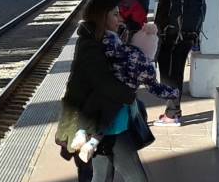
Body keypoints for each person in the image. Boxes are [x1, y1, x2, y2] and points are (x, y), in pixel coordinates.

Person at [56, 0, 148, 182]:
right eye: (115, 14)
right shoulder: (92, 47)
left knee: (101, 180)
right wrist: (132, 88)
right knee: (136, 180)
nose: (120, 19)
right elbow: (106, 85)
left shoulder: (102, 42)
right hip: (105, 125)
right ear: (102, 17)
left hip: (101, 123)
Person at [71, 22, 178, 162]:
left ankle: (80, 133)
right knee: (106, 122)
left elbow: (105, 49)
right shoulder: (146, 66)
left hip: (100, 90)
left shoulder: (119, 50)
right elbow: (155, 88)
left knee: (88, 111)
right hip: (119, 99)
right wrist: (173, 93)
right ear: (151, 49)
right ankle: (91, 145)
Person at [153, 0, 207, 126]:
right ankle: (174, 112)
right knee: (177, 71)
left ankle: (172, 114)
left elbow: (161, 16)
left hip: (170, 38)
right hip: (189, 36)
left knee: (169, 75)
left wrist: (154, 34)